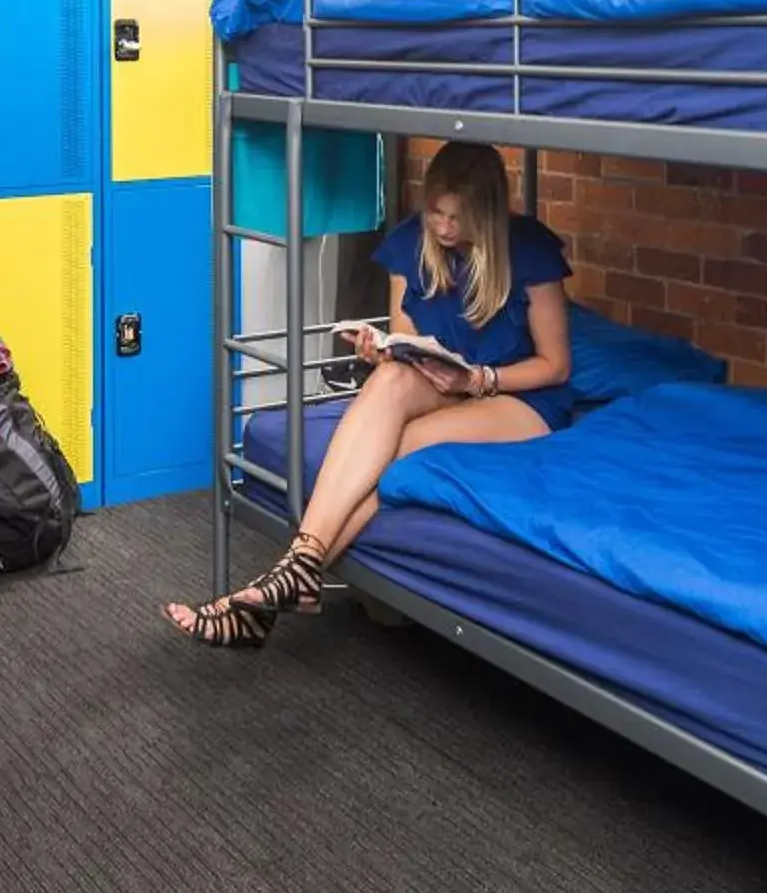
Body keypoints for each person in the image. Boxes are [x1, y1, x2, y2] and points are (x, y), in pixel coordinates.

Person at [163, 141, 574, 650]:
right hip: (445, 382)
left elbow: (556, 367)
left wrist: (481, 381)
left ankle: (280, 581)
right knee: (387, 381)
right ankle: (297, 573)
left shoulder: (529, 248)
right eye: (436, 213)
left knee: (391, 453)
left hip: (515, 396)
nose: (443, 228)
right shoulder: (412, 243)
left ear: (487, 213)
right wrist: (381, 351)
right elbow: (406, 343)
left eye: (457, 218)